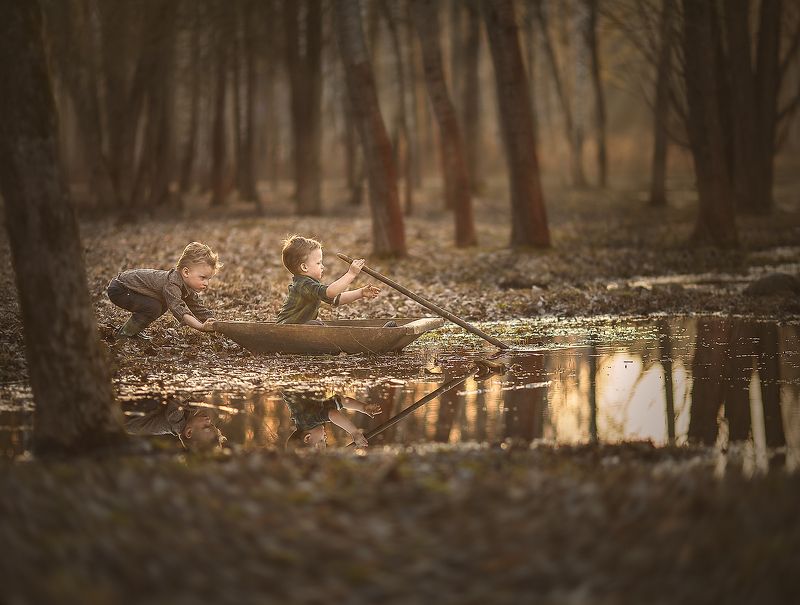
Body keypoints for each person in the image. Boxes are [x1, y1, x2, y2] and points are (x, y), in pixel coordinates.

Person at [107, 241, 221, 340]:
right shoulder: (172, 284)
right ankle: (125, 333)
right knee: (154, 307)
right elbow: (179, 309)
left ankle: (133, 331)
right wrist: (201, 327)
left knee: (159, 305)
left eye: (208, 279)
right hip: (120, 289)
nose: (206, 283)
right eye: (203, 278)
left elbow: (198, 308)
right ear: (186, 272)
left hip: (129, 290)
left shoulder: (187, 287)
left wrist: (218, 325)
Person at [276, 235, 380, 324]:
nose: (322, 266)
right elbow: (330, 292)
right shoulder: (303, 285)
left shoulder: (310, 284)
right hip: (287, 327)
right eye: (318, 263)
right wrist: (351, 274)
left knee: (316, 324)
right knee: (316, 325)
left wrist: (360, 293)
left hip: (298, 327)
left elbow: (336, 299)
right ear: (304, 267)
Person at [283, 390, 382, 449]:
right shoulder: (312, 415)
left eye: (321, 440)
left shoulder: (307, 421)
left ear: (307, 438)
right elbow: (340, 401)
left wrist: (355, 433)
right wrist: (363, 407)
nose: (325, 437)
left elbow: (333, 414)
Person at [124, 397, 226, 451]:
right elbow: (192, 403)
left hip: (128, 419)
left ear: (189, 432)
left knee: (157, 400)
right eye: (211, 425)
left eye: (205, 426)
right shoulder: (189, 417)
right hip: (134, 417)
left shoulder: (176, 422)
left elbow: (178, 399)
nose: (208, 420)